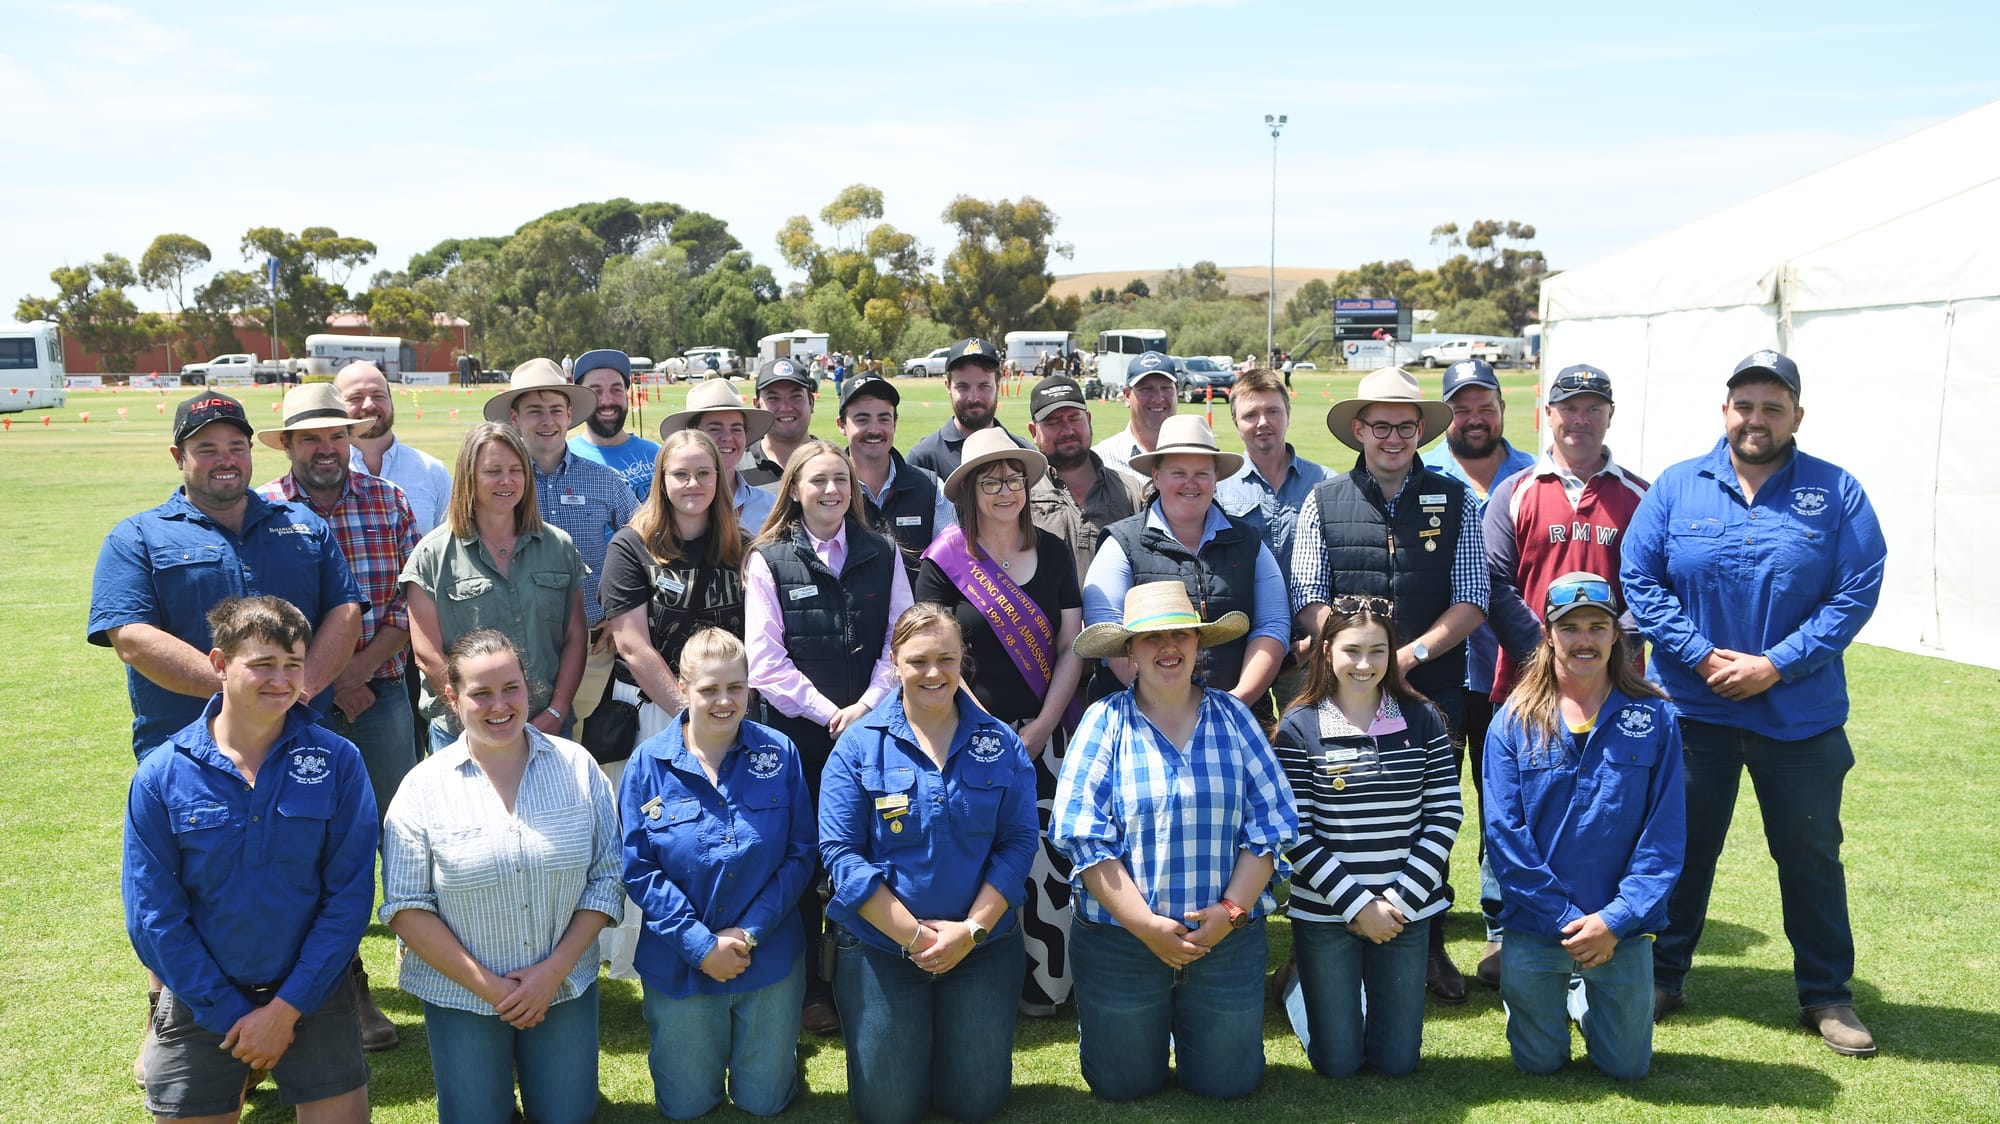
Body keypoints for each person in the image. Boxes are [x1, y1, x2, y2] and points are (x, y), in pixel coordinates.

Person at [1622, 350, 1887, 1055]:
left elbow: (1855, 592)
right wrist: (1702, 655)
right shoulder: (1678, 486)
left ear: (1797, 414)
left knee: (1810, 857)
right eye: (1746, 405)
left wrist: (1777, 665)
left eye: (1773, 407)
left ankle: (1828, 995)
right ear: (1725, 411)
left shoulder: (1837, 492)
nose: (1757, 419)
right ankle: (1663, 975)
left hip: (1797, 719)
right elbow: (1640, 580)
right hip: (1692, 713)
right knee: (1678, 852)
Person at [124, 596, 376, 1123]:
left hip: (312, 990)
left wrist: (286, 1010)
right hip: (200, 997)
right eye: (262, 665)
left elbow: (349, 900)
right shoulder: (162, 773)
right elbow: (154, 918)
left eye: (293, 665)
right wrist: (233, 1013)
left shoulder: (339, 762)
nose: (281, 680)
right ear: (219, 665)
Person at [1052, 582, 1297, 1102]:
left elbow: (1271, 823)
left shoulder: (1235, 718)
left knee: (1227, 1084)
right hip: (1121, 941)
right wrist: (1146, 927)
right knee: (1122, 1086)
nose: (1168, 648)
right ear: (1130, 653)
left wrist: (1232, 912)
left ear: (1198, 643)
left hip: (1225, 939)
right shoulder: (1103, 721)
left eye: (1181, 635)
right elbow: (1081, 835)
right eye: (1150, 639)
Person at [1290, 366, 1487, 1001]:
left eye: (1406, 427)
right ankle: (1314, 945)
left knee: (1424, 813)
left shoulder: (1458, 501)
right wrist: (1358, 657)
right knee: (1333, 814)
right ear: (1358, 430)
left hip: (1432, 692)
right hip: (1341, 691)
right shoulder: (1321, 501)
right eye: (1381, 426)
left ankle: (1427, 947)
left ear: (1422, 433)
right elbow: (1308, 596)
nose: (1394, 438)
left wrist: (1406, 657)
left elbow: (1472, 597)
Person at [380, 629, 623, 1124]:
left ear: (527, 686)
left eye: (510, 688)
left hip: (562, 985)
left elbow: (606, 879)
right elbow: (405, 906)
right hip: (461, 991)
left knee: (566, 1117)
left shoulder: (577, 768)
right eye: (481, 693)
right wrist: (493, 989)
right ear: (452, 697)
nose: (500, 706)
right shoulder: (421, 788)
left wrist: (550, 975)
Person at [819, 604, 1040, 1124]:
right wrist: (916, 938)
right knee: (887, 1110)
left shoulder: (1000, 743)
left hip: (982, 946)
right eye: (918, 660)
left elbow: (1018, 843)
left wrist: (970, 932)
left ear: (963, 659)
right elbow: (841, 855)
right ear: (894, 662)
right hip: (880, 947)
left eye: (946, 658)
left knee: (975, 1104)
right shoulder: (857, 746)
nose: (934, 673)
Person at [254, 383, 422, 1050]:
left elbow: (412, 601)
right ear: (290, 445)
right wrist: (317, 682)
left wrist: (353, 672)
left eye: (336, 436)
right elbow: (258, 617)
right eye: (312, 438)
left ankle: (425, 956)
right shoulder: (263, 510)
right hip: (295, 706)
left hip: (379, 695)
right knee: (312, 844)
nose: (327, 448)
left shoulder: (390, 502)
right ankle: (340, 982)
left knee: (399, 834)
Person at [744, 439, 915, 1034]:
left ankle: (862, 976)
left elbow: (903, 640)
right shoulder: (767, 558)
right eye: (817, 480)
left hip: (872, 735)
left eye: (840, 479)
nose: (831, 491)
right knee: (799, 864)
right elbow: (764, 664)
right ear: (793, 488)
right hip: (795, 740)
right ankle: (810, 988)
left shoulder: (883, 552)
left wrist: (865, 708)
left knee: (867, 855)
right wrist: (829, 714)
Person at [1485, 572, 1685, 1079]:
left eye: (1598, 626)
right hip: (1535, 921)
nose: (1584, 640)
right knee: (1539, 1064)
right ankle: (1545, 991)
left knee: (1626, 1068)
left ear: (1617, 635)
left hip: (1620, 929)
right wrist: (1563, 920)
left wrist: (1614, 920)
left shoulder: (1656, 715)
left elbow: (1664, 836)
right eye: (1570, 627)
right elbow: (1504, 837)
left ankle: (1581, 996)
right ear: (1548, 634)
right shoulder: (1512, 719)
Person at [91, 392, 365, 760]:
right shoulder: (136, 537)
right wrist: (243, 692)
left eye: (237, 447)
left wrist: (296, 690)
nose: (226, 460)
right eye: (207, 449)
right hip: (186, 749)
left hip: (302, 739)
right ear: (178, 457)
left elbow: (345, 612)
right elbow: (132, 638)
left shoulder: (305, 525)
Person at [915, 427, 1085, 1015]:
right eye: (990, 480)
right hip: (965, 735)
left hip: (1048, 731)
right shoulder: (944, 560)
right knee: (973, 855)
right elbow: (935, 653)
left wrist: (1040, 727)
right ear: (968, 491)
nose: (1005, 489)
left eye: (1013, 478)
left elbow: (1072, 648)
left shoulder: (1057, 552)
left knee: (1047, 861)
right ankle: (975, 985)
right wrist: (991, 729)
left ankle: (1046, 988)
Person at [620, 628, 815, 1119]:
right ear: (683, 690)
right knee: (685, 1107)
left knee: (764, 1102)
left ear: (750, 688)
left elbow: (800, 854)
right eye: (709, 689)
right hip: (679, 961)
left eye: (736, 687)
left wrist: (748, 933)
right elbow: (639, 868)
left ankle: (778, 1050)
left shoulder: (780, 754)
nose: (724, 701)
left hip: (766, 955)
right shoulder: (647, 763)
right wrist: (701, 946)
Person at [1274, 597, 1460, 1077]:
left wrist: (1397, 902)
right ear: (1326, 651)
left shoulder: (1424, 719)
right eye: (1351, 650)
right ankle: (1300, 988)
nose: (1364, 664)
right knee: (1336, 1063)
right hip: (1326, 911)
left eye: (1378, 651)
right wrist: (1358, 906)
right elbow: (1296, 832)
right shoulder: (1298, 726)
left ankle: (1336, 992)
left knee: (1396, 1064)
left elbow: (1444, 815)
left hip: (1405, 911)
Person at [594, 428, 753, 979]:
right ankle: (646, 960)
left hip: (731, 711)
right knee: (661, 838)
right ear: (661, 479)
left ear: (720, 478)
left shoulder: (740, 545)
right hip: (656, 713)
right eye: (680, 473)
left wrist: (725, 708)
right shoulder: (630, 546)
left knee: (724, 830)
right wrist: (689, 713)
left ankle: (723, 941)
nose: (693, 484)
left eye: (704, 473)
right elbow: (632, 643)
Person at [1430, 358, 1539, 988]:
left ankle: (1502, 929)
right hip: (1443, 672)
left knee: (1505, 804)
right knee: (1436, 803)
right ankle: (1432, 925)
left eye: (1485, 405)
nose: (1475, 418)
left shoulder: (1533, 475)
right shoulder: (1423, 476)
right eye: (1462, 407)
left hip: (1515, 674)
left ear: (1503, 408)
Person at [1083, 415, 1289, 720]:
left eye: (1202, 473)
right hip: (1142, 717)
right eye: (1178, 472)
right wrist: (1171, 706)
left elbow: (1272, 627)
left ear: (1216, 478)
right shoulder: (1120, 543)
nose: (1190, 483)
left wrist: (1236, 702)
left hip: (1237, 714)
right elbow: (1109, 634)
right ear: (1156, 475)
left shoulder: (1249, 541)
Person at [400, 423, 588, 752]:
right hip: (463, 734)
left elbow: (574, 637)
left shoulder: (559, 546)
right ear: (469, 476)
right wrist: (483, 714)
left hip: (547, 727)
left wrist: (557, 710)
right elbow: (428, 655)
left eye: (516, 470)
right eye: (493, 471)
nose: (507, 480)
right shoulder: (431, 556)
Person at [489, 358, 638, 728]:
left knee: (581, 753)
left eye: (556, 410)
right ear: (514, 417)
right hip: (514, 646)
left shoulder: (605, 480)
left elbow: (645, 545)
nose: (547, 421)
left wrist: (624, 617)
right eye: (534, 411)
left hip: (593, 647)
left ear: (570, 414)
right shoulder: (494, 481)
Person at [1216, 365, 1328, 702]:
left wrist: (1314, 641)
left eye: (1273, 411)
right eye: (1251, 414)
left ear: (1288, 415)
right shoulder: (1218, 488)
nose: (1263, 422)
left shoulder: (1325, 483)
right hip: (1241, 647)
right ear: (1236, 423)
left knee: (1310, 746)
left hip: (1312, 645)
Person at [1023, 374, 1146, 581]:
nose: (1067, 430)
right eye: (1053, 422)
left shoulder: (1131, 491)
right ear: (1034, 432)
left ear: (1088, 420)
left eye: (1074, 418)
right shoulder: (1019, 494)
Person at [834, 375, 954, 579]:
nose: (874, 429)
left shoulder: (931, 489)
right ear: (842, 425)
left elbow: (951, 566)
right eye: (862, 419)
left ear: (895, 423)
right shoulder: (827, 493)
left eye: (884, 419)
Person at [338, 361, 452, 534]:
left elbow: (451, 547)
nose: (369, 405)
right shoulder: (325, 474)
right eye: (356, 398)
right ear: (337, 407)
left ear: (391, 402)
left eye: (378, 395)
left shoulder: (432, 471)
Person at [659, 378, 780, 530]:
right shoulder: (671, 506)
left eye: (736, 429)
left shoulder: (770, 508)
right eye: (715, 429)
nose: (727, 438)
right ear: (692, 434)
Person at [906, 338, 1032, 479]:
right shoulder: (923, 459)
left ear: (998, 385)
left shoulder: (1022, 452)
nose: (973, 398)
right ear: (948, 386)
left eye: (984, 386)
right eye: (962, 387)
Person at [566, 348, 661, 502]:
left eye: (616, 390)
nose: (607, 401)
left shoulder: (659, 456)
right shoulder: (563, 460)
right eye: (596, 391)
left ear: (626, 395)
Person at [1090, 350, 1178, 475]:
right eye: (1146, 389)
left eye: (1166, 388)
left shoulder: (1199, 458)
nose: (1158, 398)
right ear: (1126, 396)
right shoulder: (1101, 461)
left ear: (1177, 393)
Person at [746, 357, 819, 480]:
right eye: (773, 398)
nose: (785, 408)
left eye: (796, 396)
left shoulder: (837, 465)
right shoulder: (735, 469)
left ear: (811, 402)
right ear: (757, 405)